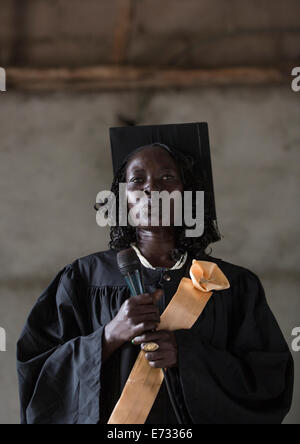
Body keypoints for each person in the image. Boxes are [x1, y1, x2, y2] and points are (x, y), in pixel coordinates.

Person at [17, 123, 294, 424]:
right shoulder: (84, 279)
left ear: (188, 195)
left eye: (167, 177)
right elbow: (39, 379)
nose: (152, 188)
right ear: (122, 198)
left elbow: (269, 382)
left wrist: (187, 356)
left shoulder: (232, 285)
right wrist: (110, 335)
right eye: (138, 180)